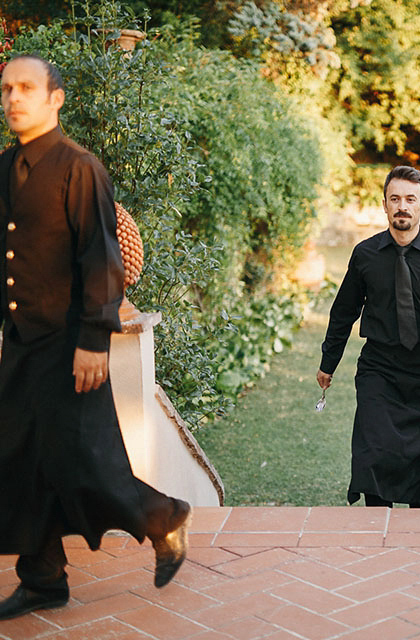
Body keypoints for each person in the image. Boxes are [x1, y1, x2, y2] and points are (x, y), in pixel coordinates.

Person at [0, 55, 190, 621]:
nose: (13, 97)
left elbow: (102, 261)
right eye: (6, 88)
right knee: (19, 459)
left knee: (86, 460)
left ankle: (165, 517)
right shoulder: (5, 166)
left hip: (68, 345)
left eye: (26, 87)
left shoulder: (80, 168)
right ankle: (42, 578)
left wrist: (93, 341)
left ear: (55, 99)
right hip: (21, 344)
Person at [316, 166, 420, 507]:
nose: (402, 206)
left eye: (410, 199)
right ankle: (379, 525)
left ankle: (419, 533)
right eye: (395, 199)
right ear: (384, 205)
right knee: (374, 448)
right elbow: (344, 311)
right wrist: (328, 362)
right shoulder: (365, 254)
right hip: (379, 367)